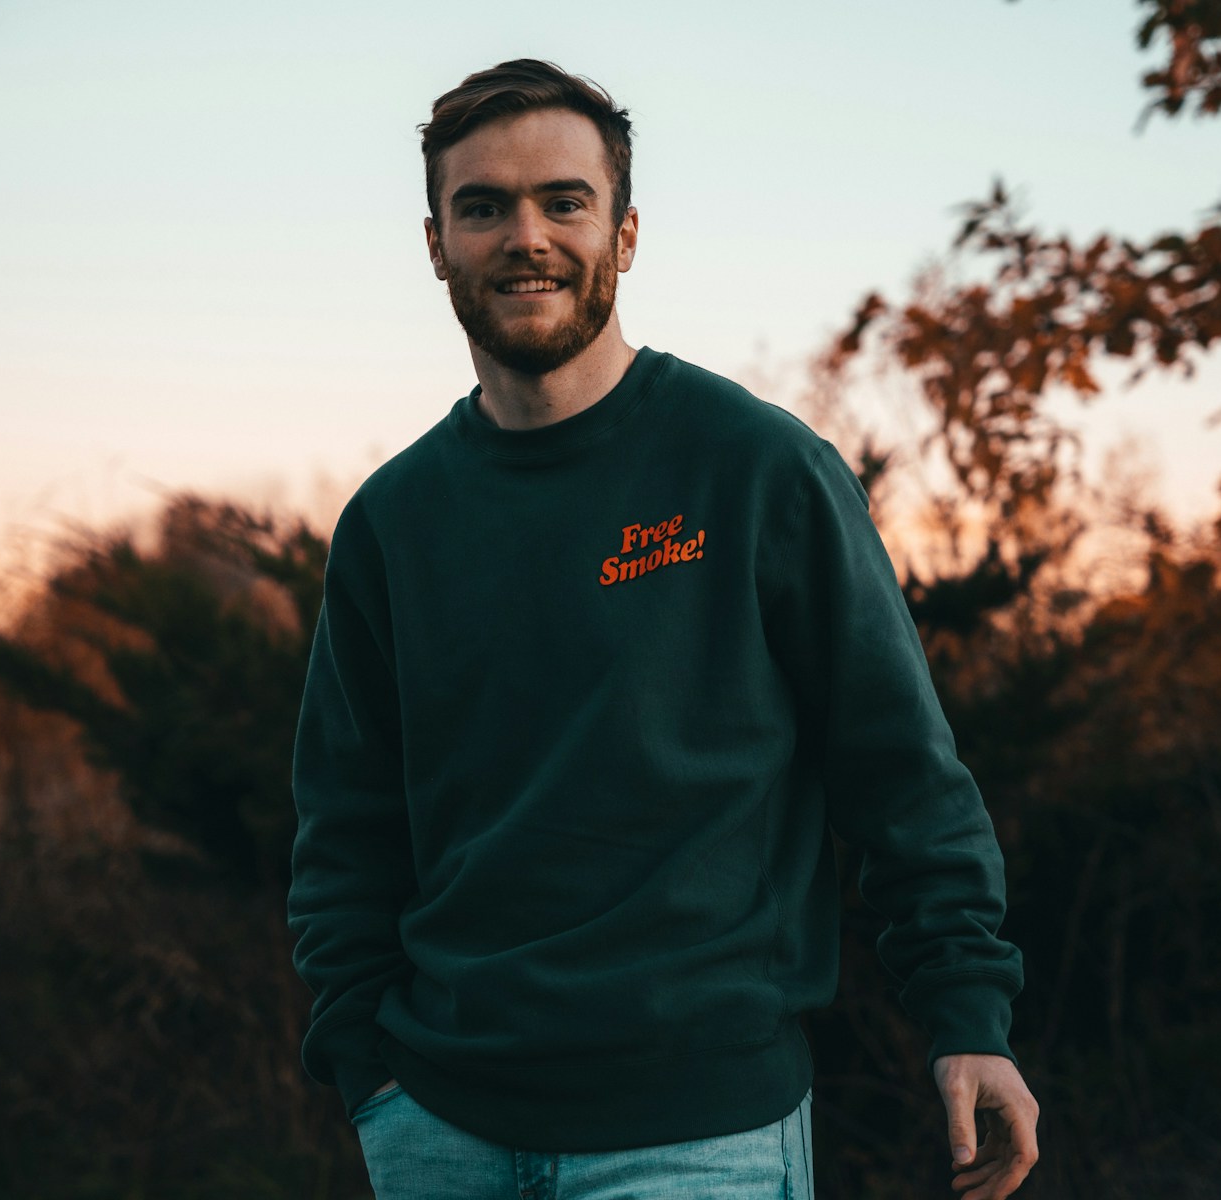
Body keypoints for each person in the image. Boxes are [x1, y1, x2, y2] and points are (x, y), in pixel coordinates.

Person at [287, 58, 1040, 1200]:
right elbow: (346, 830)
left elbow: (900, 774)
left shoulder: (758, 471)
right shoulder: (392, 524)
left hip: (698, 1134)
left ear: (624, 235)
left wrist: (966, 1012)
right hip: (438, 1127)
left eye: (563, 201)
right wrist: (367, 1073)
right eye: (482, 206)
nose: (524, 235)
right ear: (435, 243)